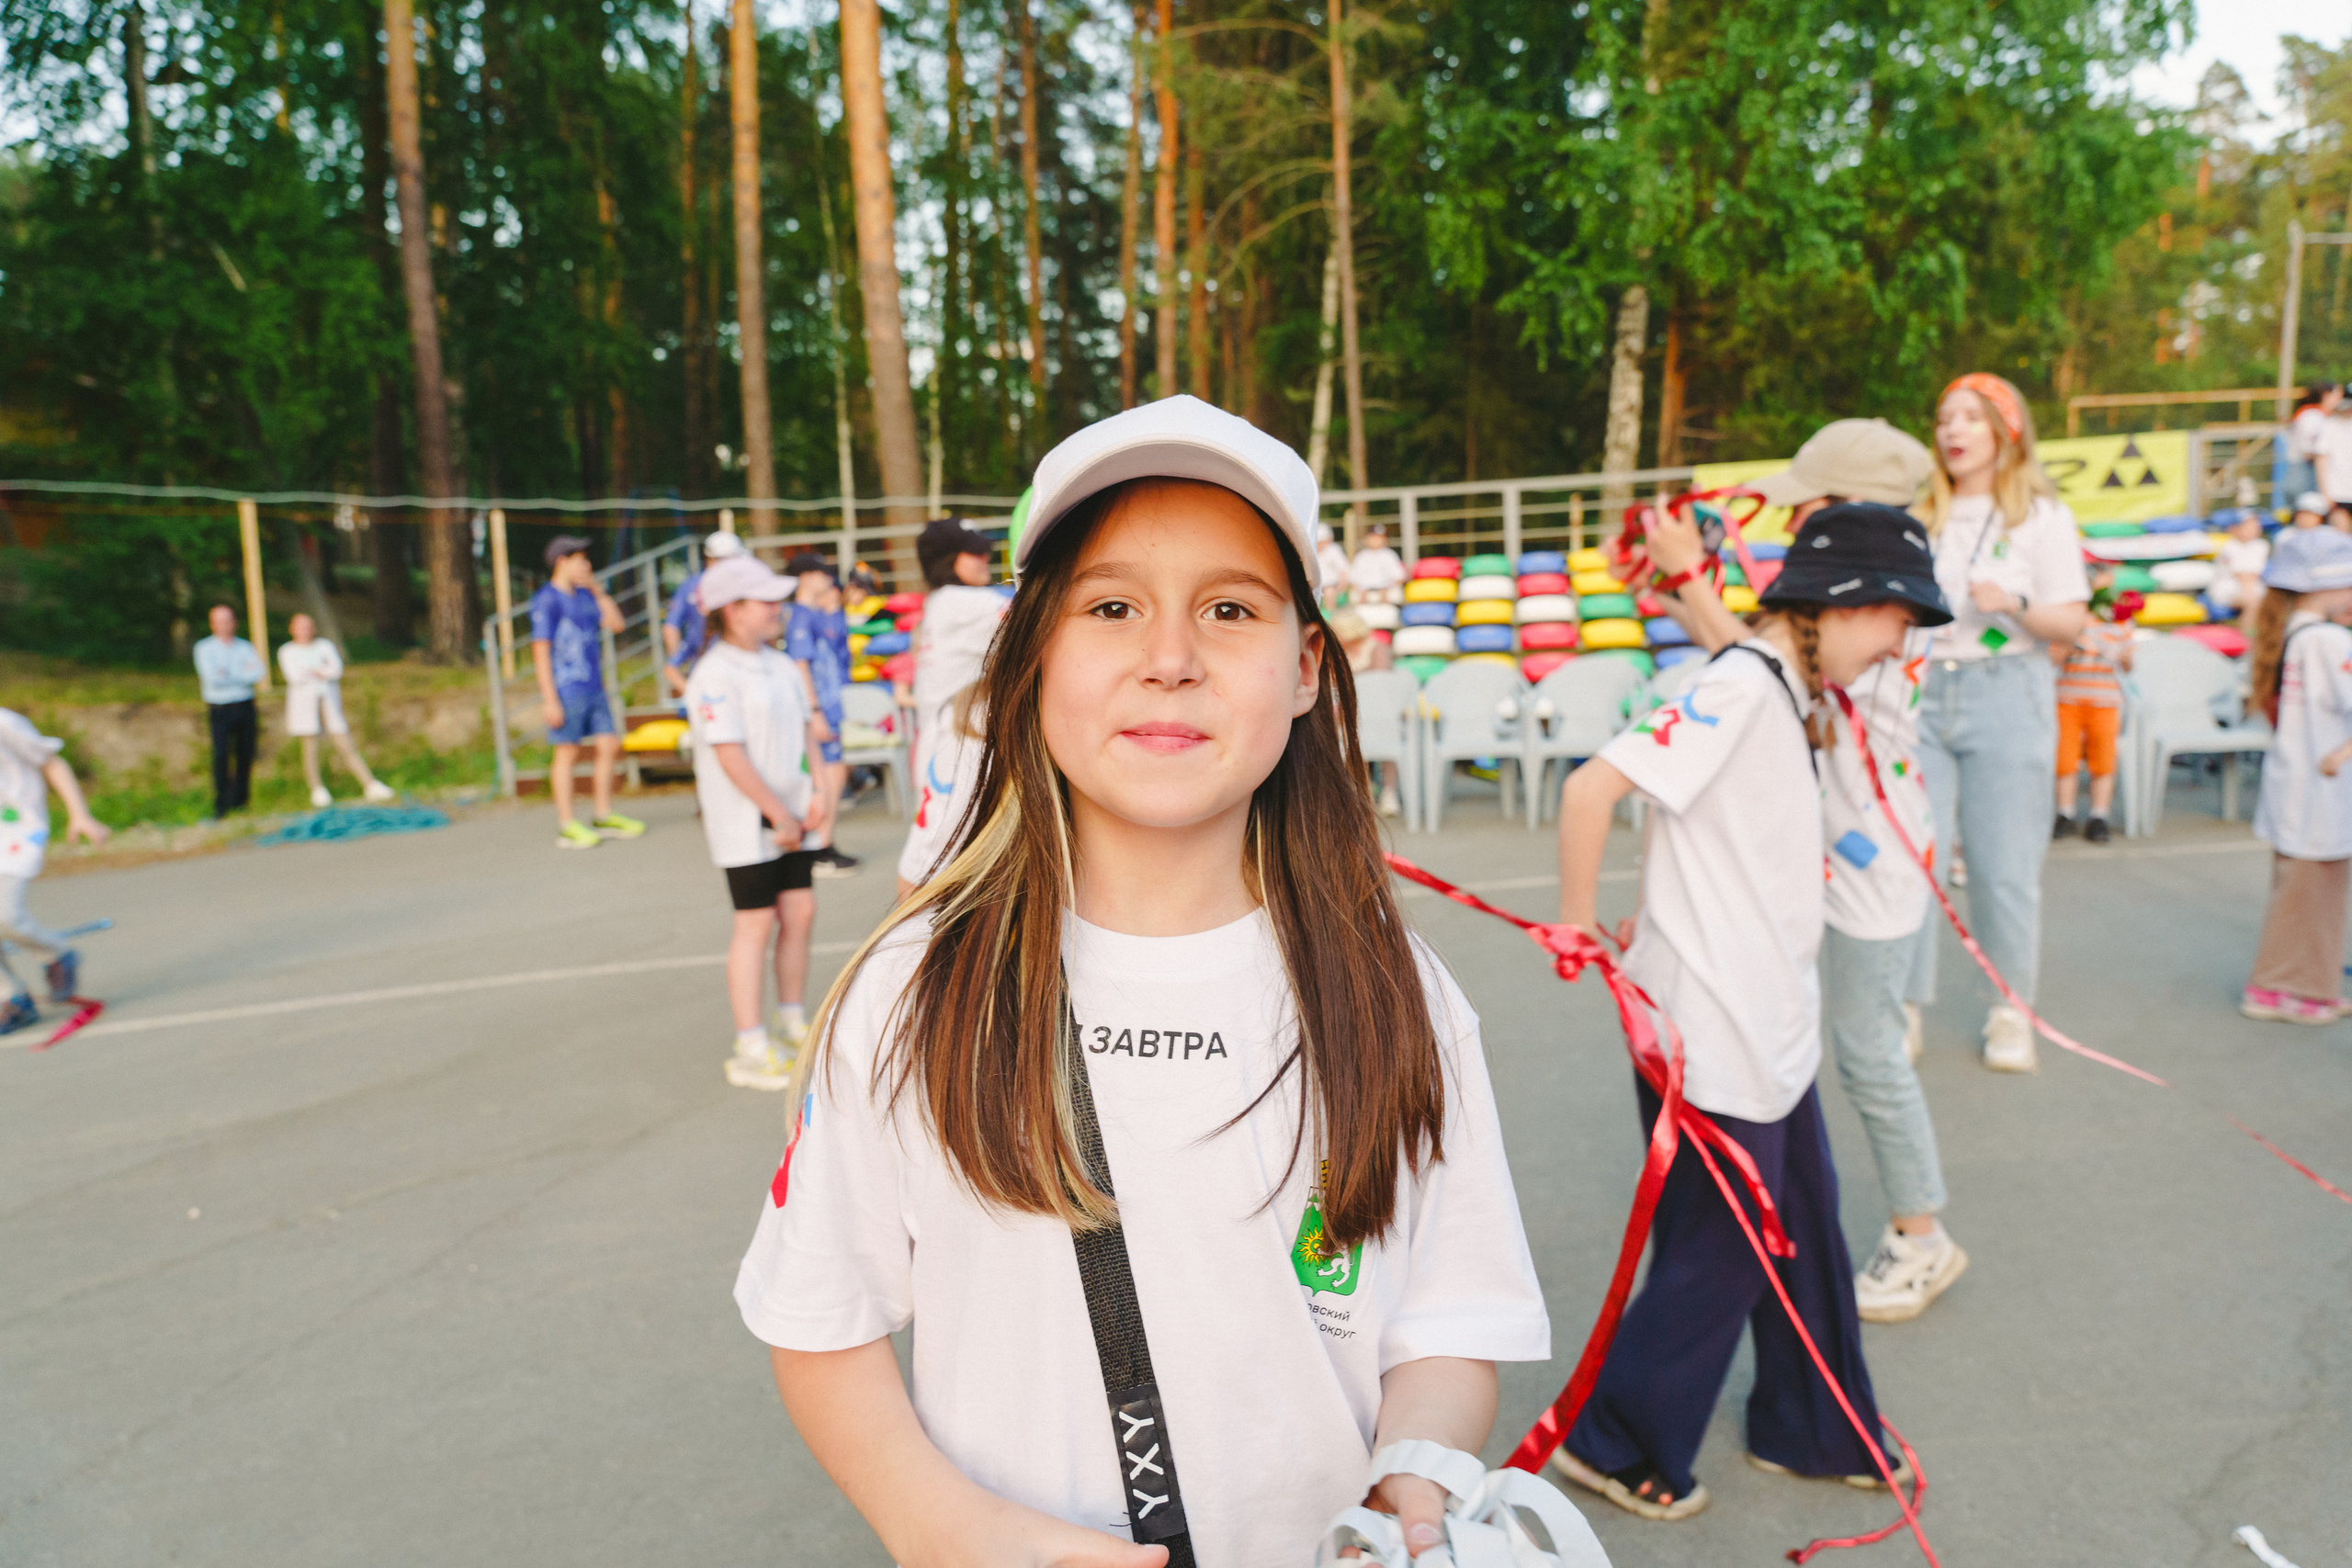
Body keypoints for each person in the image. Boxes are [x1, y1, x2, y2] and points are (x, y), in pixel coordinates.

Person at [735, 396, 1548, 1567]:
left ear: (1308, 664)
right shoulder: (914, 989)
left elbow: (1448, 1316)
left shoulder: (1397, 991)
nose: (1170, 659)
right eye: (1111, 608)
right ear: (1033, 657)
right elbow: (819, 1316)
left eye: (1229, 610)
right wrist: (938, 1526)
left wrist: (1412, 1471)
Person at [1547, 503, 1943, 1521]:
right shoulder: (1737, 688)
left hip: (1769, 1019)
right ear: (1847, 606)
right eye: (1898, 616)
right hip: (1710, 1029)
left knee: (1801, 1220)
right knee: (1725, 1248)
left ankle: (1812, 1423)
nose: (1901, 640)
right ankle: (1611, 1440)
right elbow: (1594, 787)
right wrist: (1576, 922)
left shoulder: (1776, 682)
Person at [1648, 423, 1967, 1323]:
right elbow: (1745, 654)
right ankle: (1797, 1210)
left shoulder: (1878, 611)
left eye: (1807, 506)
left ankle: (1921, 1234)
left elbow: (1754, 666)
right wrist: (1671, 580)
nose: (1793, 523)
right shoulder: (1865, 593)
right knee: (1795, 1032)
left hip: (1871, 864)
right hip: (1830, 849)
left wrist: (1686, 581)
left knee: (1867, 1051)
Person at [1913, 373, 2090, 1074]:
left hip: (2008, 686)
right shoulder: (1919, 512)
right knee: (1915, 860)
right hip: (1922, 690)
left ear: (2005, 430)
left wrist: (2014, 602)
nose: (1952, 431)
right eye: (1943, 417)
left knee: (2004, 866)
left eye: (1970, 419)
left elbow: (2070, 619)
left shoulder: (2042, 515)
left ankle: (2009, 1009)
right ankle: (1903, 1005)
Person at [686, 555, 832, 1087]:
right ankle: (750, 1044)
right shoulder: (713, 674)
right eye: (764, 600)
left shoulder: (779, 663)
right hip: (748, 824)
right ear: (731, 610)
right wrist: (777, 814)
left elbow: (804, 735)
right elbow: (731, 756)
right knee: (755, 923)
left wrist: (817, 792)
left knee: (800, 912)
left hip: (794, 815)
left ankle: (792, 1019)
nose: (777, 608)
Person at [2243, 528, 2352, 1024]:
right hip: (2320, 791)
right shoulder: (2329, 640)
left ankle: (2309, 986)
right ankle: (2284, 988)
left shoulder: (2295, 634)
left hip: (2297, 786)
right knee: (2312, 896)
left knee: (2302, 893)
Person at [896, 517, 1007, 899]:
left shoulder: (944, 603)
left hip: (949, 746)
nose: (984, 557)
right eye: (973, 551)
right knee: (933, 875)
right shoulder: (965, 603)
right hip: (955, 756)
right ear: (947, 560)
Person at [0, 709, 109, 1036]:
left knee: (4, 914)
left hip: (16, 831)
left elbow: (52, 762)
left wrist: (80, 814)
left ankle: (57, 953)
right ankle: (12, 999)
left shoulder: (5, 722)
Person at [530, 536, 644, 850]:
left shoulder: (585, 595)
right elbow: (540, 651)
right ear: (560, 562)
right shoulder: (547, 600)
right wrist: (550, 699)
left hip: (594, 686)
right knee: (567, 752)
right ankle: (567, 823)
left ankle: (603, 813)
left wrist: (597, 589)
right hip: (566, 688)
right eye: (578, 559)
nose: (586, 564)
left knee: (608, 744)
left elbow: (616, 624)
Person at [785, 558, 858, 877]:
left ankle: (823, 843)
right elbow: (801, 665)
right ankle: (818, 848)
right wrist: (814, 711)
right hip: (820, 708)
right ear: (804, 577)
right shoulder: (800, 616)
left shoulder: (815, 612)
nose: (826, 579)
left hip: (829, 704)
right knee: (827, 775)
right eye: (819, 573)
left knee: (834, 773)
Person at [277, 615, 396, 808]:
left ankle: (370, 784)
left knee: (345, 743)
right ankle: (317, 788)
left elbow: (335, 670)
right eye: (301, 627)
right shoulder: (287, 651)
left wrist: (313, 671)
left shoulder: (324, 646)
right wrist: (319, 670)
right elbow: (294, 676)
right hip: (306, 704)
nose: (305, 631)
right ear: (292, 629)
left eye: (308, 627)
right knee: (310, 746)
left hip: (328, 702)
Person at [2052, 591, 2138, 843]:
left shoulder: (2121, 626)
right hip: (2068, 698)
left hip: (2105, 700)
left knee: (2103, 759)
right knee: (2065, 758)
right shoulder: (2071, 626)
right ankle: (2064, 812)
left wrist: (2123, 655)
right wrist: (2072, 640)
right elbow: (2055, 658)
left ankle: (2098, 815)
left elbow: (2128, 664)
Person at [193, 604, 266, 818]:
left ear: (234, 623)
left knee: (246, 754)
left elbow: (258, 673)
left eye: (228, 621)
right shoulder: (204, 649)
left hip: (244, 705)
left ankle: (241, 801)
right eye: (219, 621)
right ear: (212, 624)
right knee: (221, 755)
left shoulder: (244, 647)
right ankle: (221, 804)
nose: (224, 626)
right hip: (220, 708)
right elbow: (213, 679)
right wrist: (242, 674)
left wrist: (229, 674)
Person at [1329, 605, 1402, 817]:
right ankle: (1361, 790)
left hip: (1380, 711)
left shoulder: (1377, 648)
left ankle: (1389, 791)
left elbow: (1380, 680)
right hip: (1350, 713)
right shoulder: (1336, 653)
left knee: (1384, 734)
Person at [662, 529, 747, 697]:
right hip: (710, 676)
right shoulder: (743, 586)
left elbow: (671, 627)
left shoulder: (691, 585)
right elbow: (670, 629)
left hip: (731, 675)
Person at [2284, 380, 2341, 508]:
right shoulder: (2311, 416)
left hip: (2308, 473)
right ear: (2326, 395)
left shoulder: (2321, 416)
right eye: (2337, 395)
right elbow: (2309, 452)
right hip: (2304, 474)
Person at [2208, 509, 2271, 616]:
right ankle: (2247, 633)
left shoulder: (2261, 545)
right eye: (2248, 525)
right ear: (2234, 528)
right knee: (2252, 601)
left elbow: (2254, 575)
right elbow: (2242, 575)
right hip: (2227, 587)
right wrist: (2250, 594)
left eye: (2256, 524)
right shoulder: (2229, 546)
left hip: (2253, 586)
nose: (2254, 528)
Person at [1349, 523, 1408, 604]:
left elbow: (1400, 576)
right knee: (1362, 592)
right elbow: (1353, 578)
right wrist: (1358, 588)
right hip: (1365, 588)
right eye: (1373, 537)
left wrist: (1391, 587)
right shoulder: (1361, 557)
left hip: (1385, 587)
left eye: (1379, 538)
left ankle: (1385, 606)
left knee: (1384, 590)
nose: (1376, 540)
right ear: (1367, 539)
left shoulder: (1390, 555)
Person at [1314, 522, 1351, 605]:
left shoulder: (1334, 550)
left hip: (1332, 585)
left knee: (1329, 593)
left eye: (1321, 542)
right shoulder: (1311, 552)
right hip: (1316, 586)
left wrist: (1340, 588)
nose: (1319, 545)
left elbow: (1343, 570)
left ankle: (1329, 615)